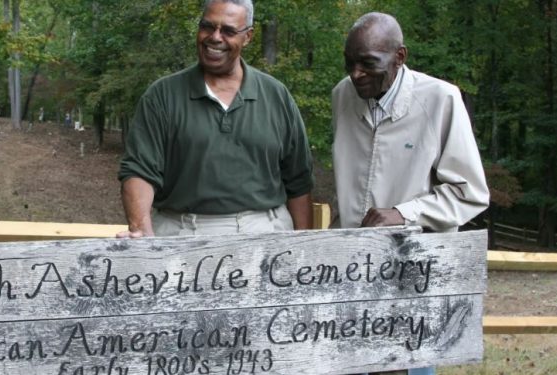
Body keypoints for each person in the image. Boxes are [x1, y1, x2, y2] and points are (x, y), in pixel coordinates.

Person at [331, 12, 490, 375]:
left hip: (412, 275)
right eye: (349, 62)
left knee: (407, 366)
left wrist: (404, 213)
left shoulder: (440, 99)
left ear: (400, 57)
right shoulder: (343, 94)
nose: (356, 73)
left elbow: (471, 192)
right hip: (351, 272)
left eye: (369, 64)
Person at [117, 0, 313, 238]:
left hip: (264, 232)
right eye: (207, 27)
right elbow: (139, 171)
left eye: (228, 31)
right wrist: (143, 234)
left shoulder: (276, 96)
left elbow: (299, 181)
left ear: (248, 37)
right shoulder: (162, 95)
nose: (215, 37)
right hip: (181, 232)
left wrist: (303, 249)